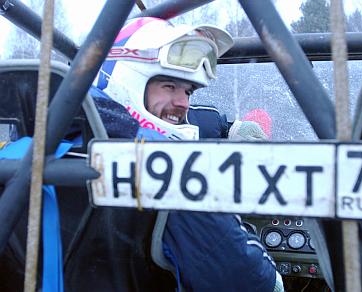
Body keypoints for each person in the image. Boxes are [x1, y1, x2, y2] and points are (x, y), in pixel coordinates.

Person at [89, 17, 283, 292]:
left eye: (188, 91)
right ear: (127, 78)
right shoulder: (172, 169)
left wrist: (227, 128)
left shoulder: (47, 142)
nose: (184, 103)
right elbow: (249, 280)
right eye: (169, 86)